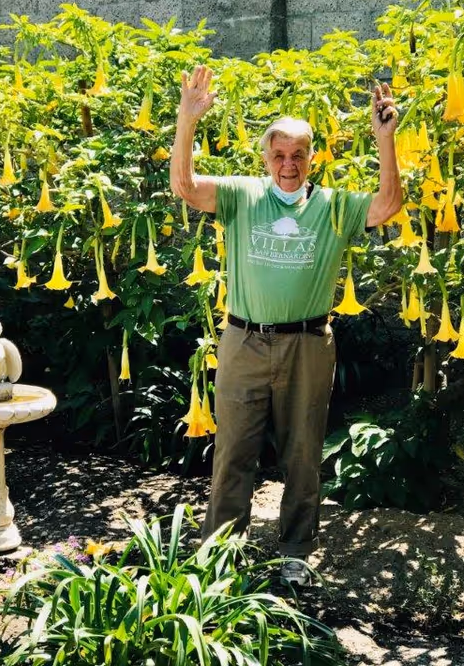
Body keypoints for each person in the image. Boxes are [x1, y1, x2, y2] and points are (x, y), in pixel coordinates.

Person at [169, 65, 402, 585]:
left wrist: (386, 141)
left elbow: (388, 205)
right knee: (233, 453)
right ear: (265, 158)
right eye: (279, 154)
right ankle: (220, 558)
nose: (288, 164)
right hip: (243, 340)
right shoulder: (242, 195)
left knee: (303, 454)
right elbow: (184, 185)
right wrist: (187, 121)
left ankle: (296, 552)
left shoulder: (333, 206)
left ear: (313, 158)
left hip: (308, 345)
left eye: (298, 154)